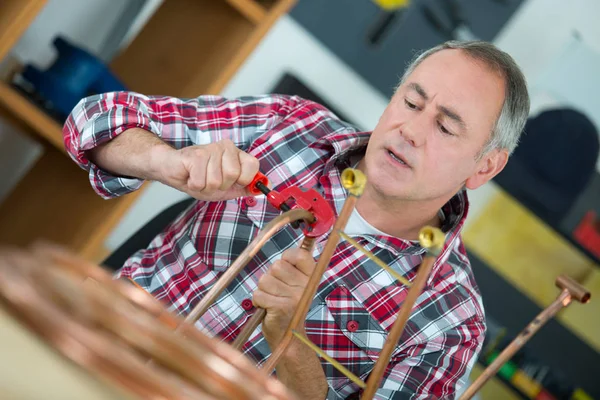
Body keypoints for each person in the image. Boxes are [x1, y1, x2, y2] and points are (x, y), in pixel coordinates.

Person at [63, 40, 529, 399]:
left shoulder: (449, 320)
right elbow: (96, 118)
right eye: (411, 103)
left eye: (445, 127)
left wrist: (291, 343)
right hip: (83, 351)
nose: (411, 130)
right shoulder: (291, 128)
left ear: (484, 166)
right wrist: (168, 162)